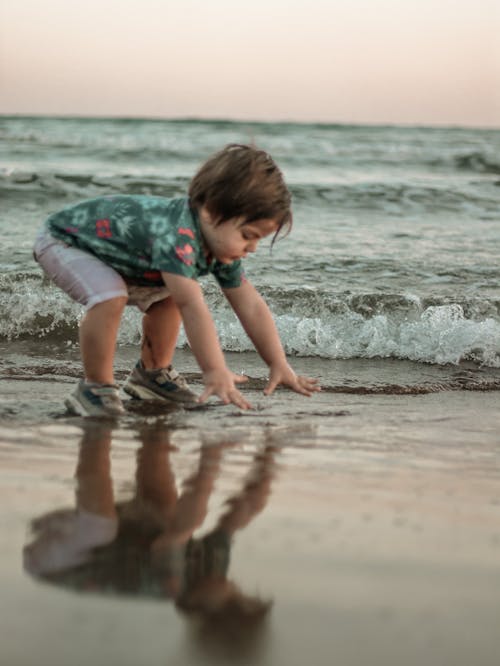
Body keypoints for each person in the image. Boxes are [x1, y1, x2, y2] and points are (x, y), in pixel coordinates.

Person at [33, 144, 320, 416]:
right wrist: (214, 370)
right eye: (248, 236)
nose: (253, 248)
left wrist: (278, 363)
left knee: (167, 297)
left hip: (118, 254)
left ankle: (151, 375)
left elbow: (251, 305)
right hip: (65, 241)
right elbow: (192, 305)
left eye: (259, 239)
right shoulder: (176, 236)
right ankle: (95, 388)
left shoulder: (218, 246)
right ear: (210, 211)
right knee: (110, 295)